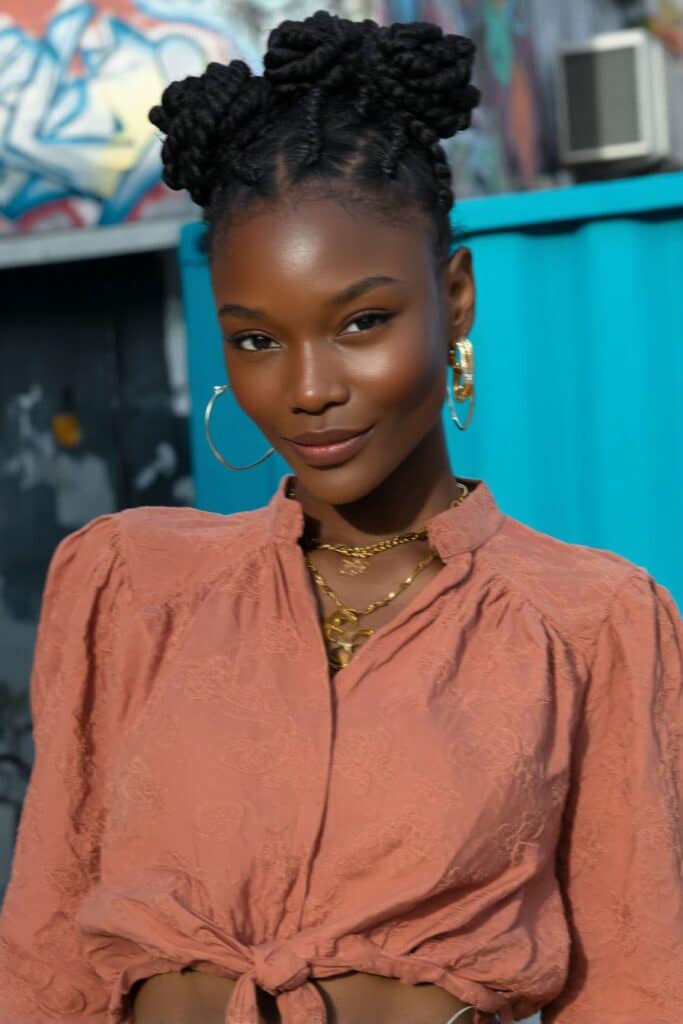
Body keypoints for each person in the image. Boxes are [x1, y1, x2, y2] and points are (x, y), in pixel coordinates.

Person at [1, 10, 681, 1024]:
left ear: (452, 298)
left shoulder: (591, 623)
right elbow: (46, 954)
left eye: (362, 321)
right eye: (257, 340)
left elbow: (635, 987)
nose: (308, 389)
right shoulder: (127, 584)